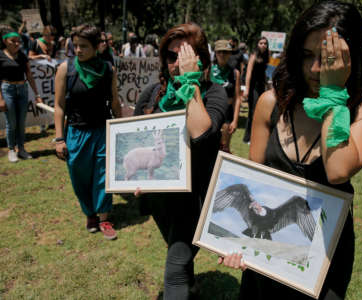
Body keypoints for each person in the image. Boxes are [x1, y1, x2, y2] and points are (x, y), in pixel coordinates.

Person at [219, 2, 362, 300]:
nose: (315, 69)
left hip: (323, 258)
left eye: (328, 57)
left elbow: (337, 170)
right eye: (307, 55)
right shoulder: (270, 104)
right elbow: (255, 181)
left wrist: (333, 93)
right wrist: (235, 243)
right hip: (268, 249)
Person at [134, 23, 229, 299]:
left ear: (202, 59)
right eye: (172, 56)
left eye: (186, 55)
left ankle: (182, 283)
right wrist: (134, 179)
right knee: (177, 251)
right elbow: (136, 142)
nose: (177, 63)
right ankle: (191, 284)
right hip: (160, 198)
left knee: (173, 269)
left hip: (196, 197)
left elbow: (201, 134)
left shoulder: (214, 93)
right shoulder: (151, 94)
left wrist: (191, 82)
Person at [54, 24, 122, 240]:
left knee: (103, 175)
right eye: (75, 46)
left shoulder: (109, 70)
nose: (78, 50)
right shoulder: (66, 69)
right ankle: (89, 213)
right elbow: (59, 106)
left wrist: (123, 130)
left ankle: (104, 218)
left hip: (103, 131)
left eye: (84, 46)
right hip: (76, 132)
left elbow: (114, 101)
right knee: (79, 175)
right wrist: (58, 139)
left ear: (96, 47)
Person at [0, 26, 43, 162]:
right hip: (8, 90)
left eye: (19, 41)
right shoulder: (0, 55)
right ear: (5, 41)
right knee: (11, 122)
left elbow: (29, 75)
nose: (17, 43)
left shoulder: (22, 55)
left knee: (21, 122)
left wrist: (37, 94)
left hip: (22, 89)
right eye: (14, 41)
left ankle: (22, 149)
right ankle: (11, 150)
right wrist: (0, 99)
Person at [210, 39, 241, 153]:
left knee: (224, 148)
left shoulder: (235, 73)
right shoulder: (208, 71)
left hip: (227, 114)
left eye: (225, 52)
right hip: (211, 113)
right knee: (209, 148)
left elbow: (237, 98)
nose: (222, 54)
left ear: (230, 54)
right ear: (215, 53)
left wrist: (235, 120)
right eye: (219, 52)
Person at [242, 36, 269, 143]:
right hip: (253, 87)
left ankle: (255, 136)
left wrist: (268, 86)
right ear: (257, 44)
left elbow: (263, 73)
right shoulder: (253, 55)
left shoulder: (266, 56)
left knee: (260, 111)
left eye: (265, 43)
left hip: (261, 86)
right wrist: (247, 89)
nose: (263, 45)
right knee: (252, 112)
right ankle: (247, 138)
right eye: (261, 43)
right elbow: (248, 73)